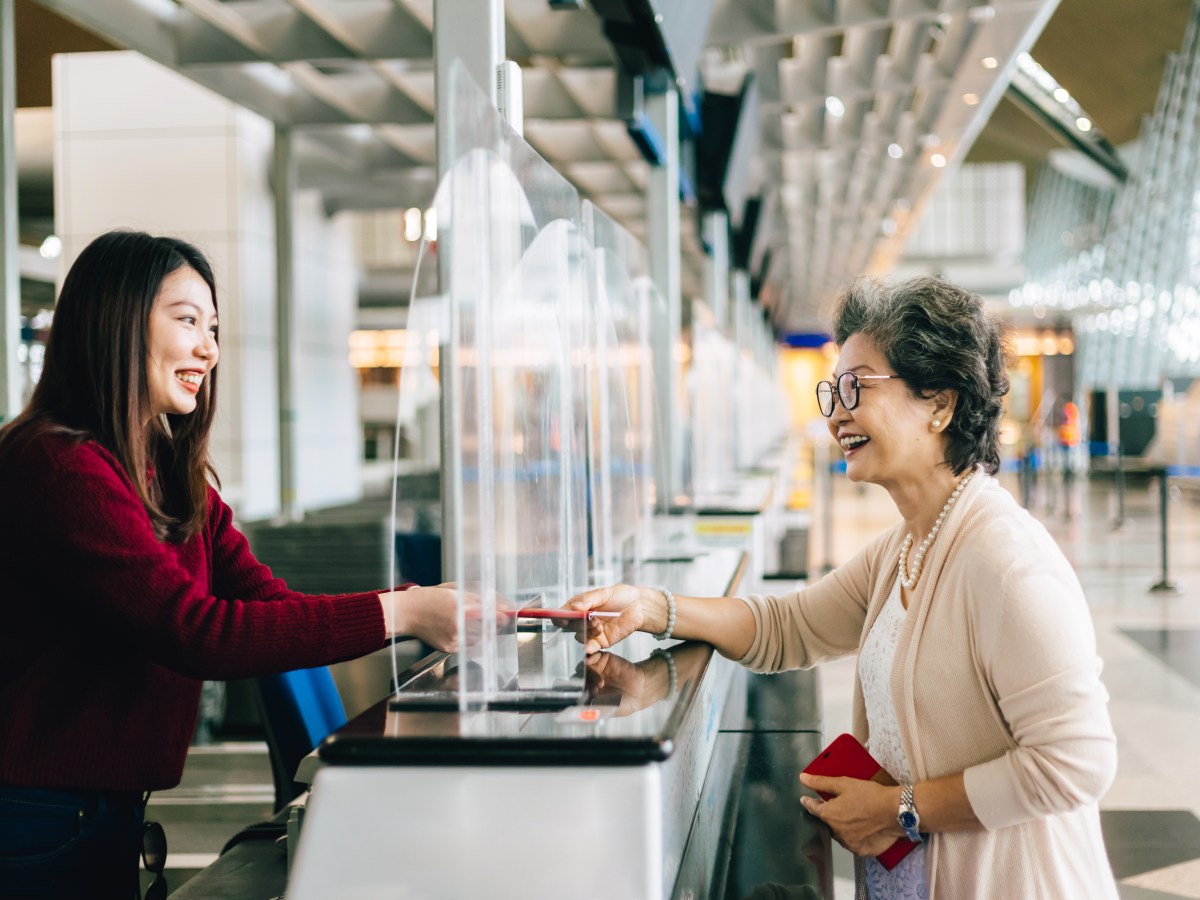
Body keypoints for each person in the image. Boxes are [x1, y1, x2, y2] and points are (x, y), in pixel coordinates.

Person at [569, 276, 1119, 898]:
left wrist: (900, 809)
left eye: (856, 388)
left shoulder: (1005, 562)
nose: (835, 413)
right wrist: (651, 607)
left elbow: (1077, 763)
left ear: (939, 403)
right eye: (833, 390)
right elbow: (786, 629)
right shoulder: (908, 546)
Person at [0, 230, 460, 898]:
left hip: (97, 814)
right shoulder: (58, 467)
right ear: (116, 322)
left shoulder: (169, 479)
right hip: (36, 819)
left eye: (212, 327)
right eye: (187, 320)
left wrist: (421, 606)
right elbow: (197, 632)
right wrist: (406, 612)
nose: (209, 349)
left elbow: (269, 605)